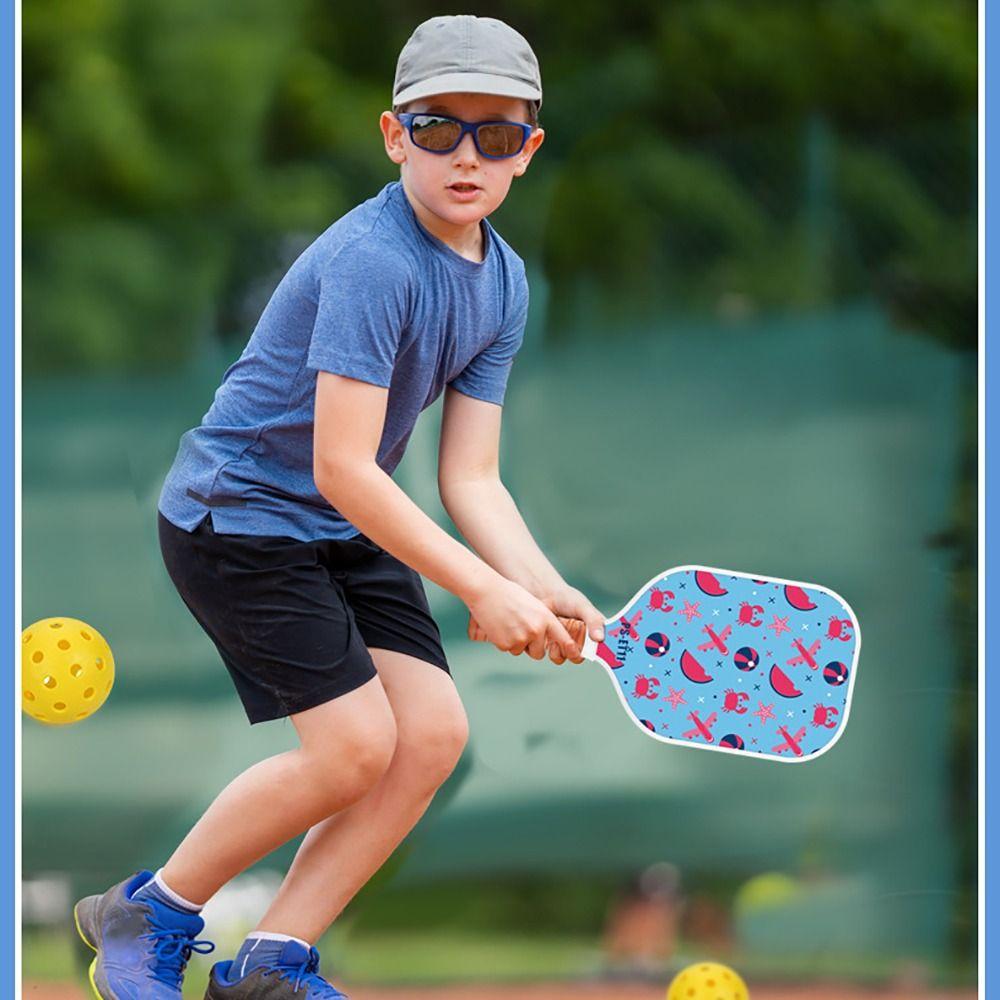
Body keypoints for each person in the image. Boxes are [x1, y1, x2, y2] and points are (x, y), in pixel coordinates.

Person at [72, 14, 605, 999]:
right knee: (356, 746)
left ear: (527, 151)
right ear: (393, 133)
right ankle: (150, 910)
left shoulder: (505, 283)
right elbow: (343, 466)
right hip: (237, 522)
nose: (465, 153)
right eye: (438, 125)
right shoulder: (375, 259)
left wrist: (543, 584)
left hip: (336, 527)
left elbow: (471, 476)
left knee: (433, 736)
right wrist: (484, 593)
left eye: (495, 133)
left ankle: (271, 967)